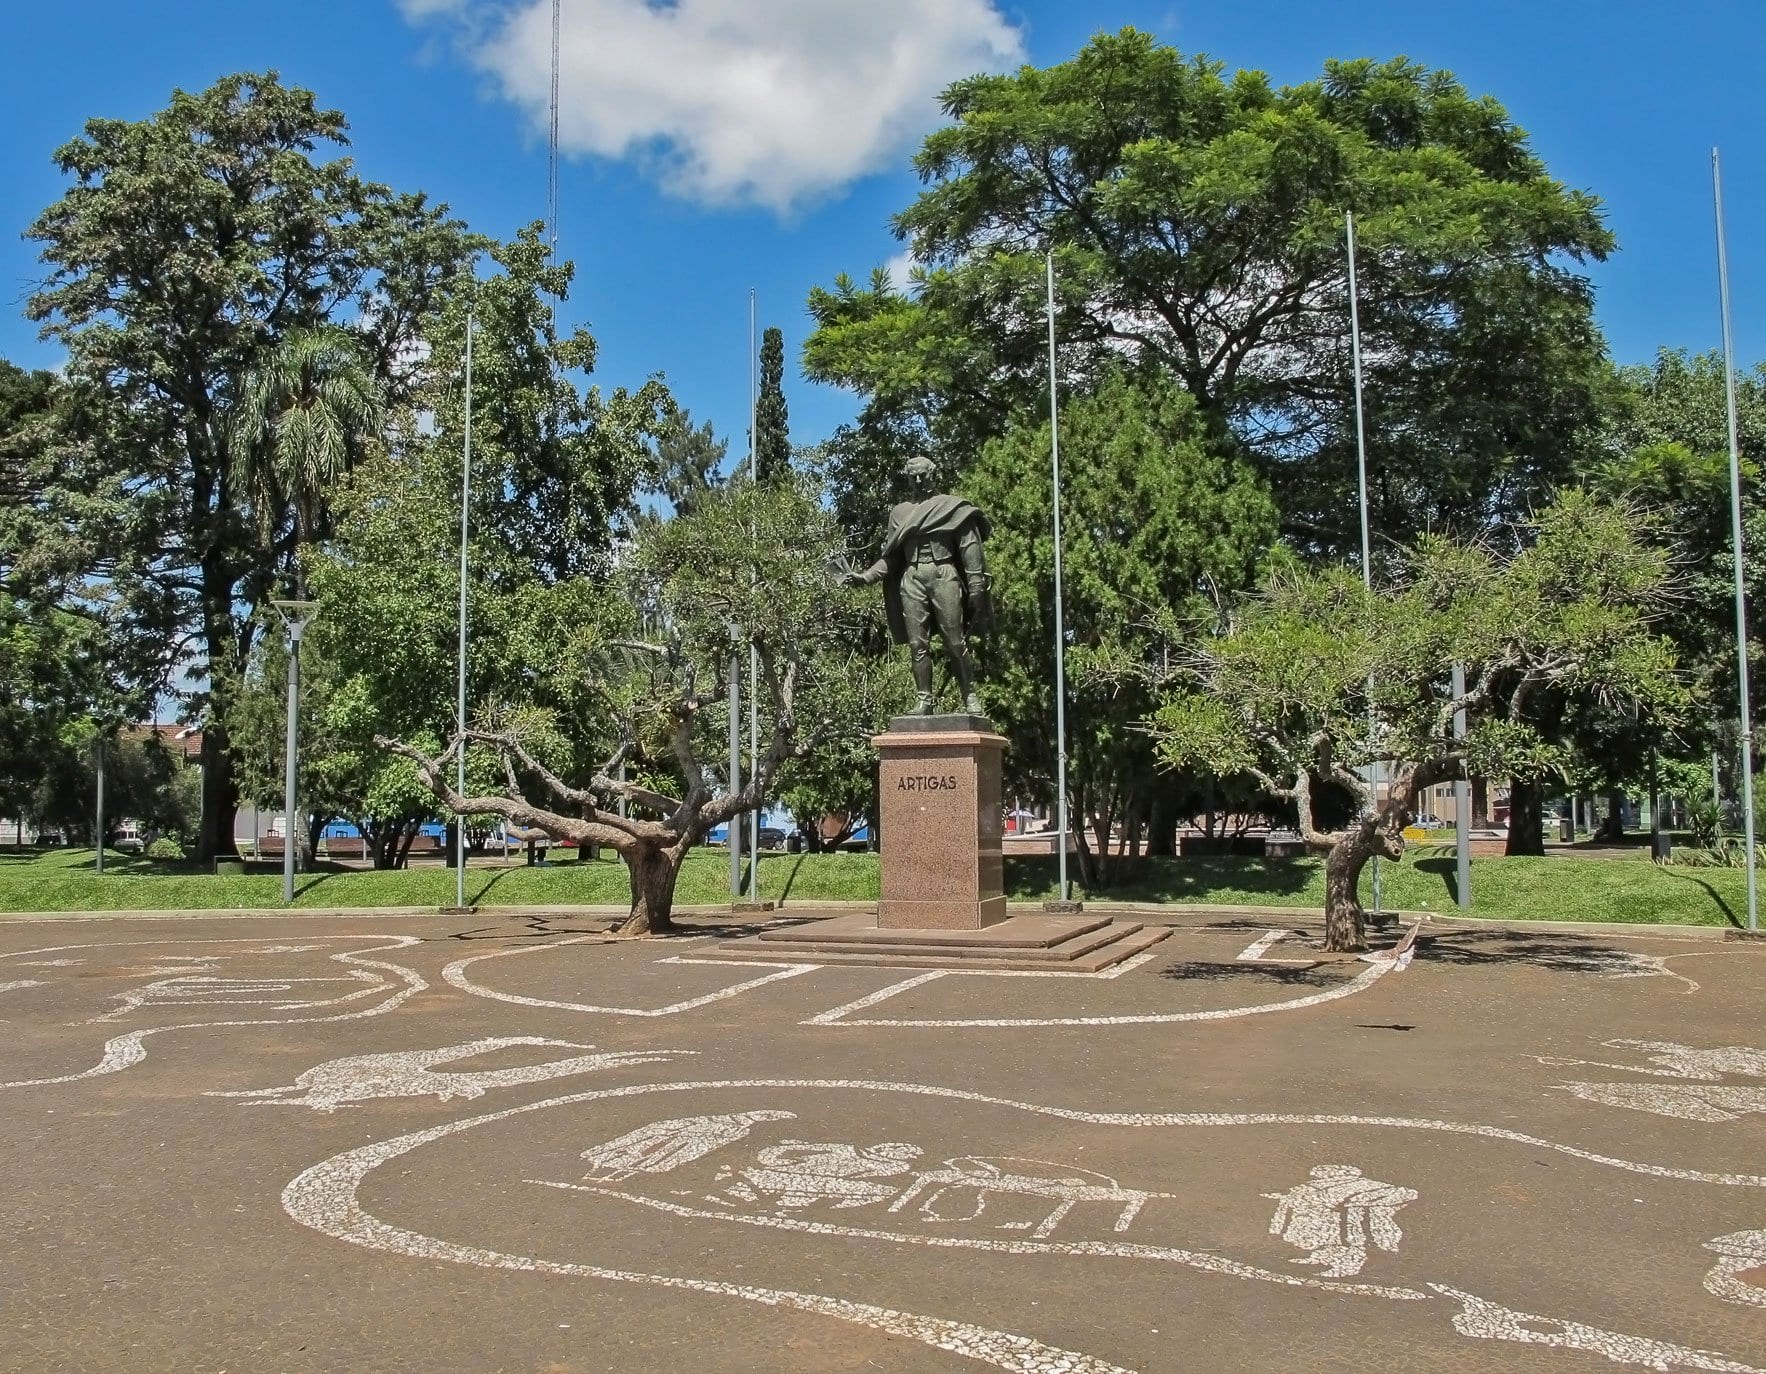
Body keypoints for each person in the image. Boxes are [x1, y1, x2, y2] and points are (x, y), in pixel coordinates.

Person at [843, 455, 993, 716]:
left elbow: (970, 547)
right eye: (913, 475)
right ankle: (924, 700)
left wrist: (976, 585)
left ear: (933, 473)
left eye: (923, 474)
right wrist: (865, 576)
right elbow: (892, 557)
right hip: (911, 578)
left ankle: (970, 697)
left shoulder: (952, 508)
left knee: (955, 642)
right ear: (907, 476)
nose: (919, 479)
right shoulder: (900, 512)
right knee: (917, 645)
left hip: (943, 574)